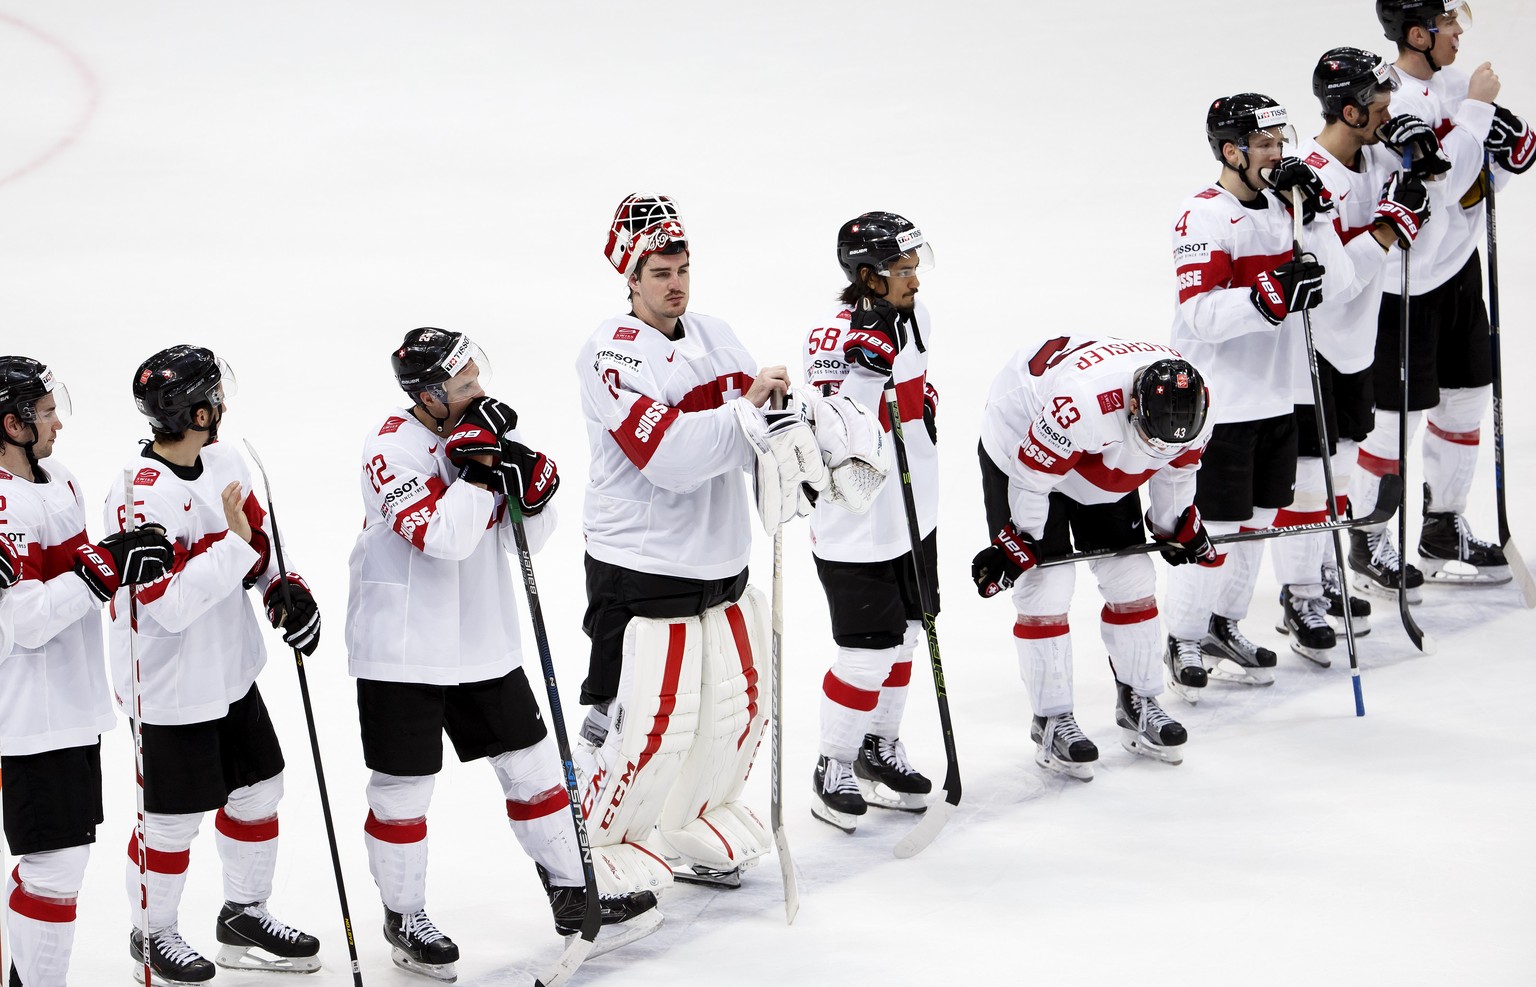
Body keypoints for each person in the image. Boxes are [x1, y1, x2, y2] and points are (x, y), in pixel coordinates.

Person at [573, 193, 878, 893]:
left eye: (682, 267)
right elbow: (669, 456)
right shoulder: (609, 353)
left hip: (720, 561)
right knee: (642, 720)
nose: (675, 282)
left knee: (725, 712)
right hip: (638, 564)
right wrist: (748, 414)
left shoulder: (712, 331)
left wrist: (803, 424)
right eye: (658, 271)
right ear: (630, 276)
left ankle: (692, 826)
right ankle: (591, 851)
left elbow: (755, 422)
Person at [346, 328, 658, 982]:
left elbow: (525, 536)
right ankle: (404, 915)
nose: (479, 391)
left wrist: (531, 491)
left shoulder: (475, 436)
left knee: (537, 770)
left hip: (481, 639)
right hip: (401, 649)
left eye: (475, 376)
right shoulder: (390, 449)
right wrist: (484, 469)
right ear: (428, 394)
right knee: (403, 791)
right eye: (464, 385)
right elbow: (443, 536)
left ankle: (576, 892)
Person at [104, 345, 323, 983]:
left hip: (230, 670)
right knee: (171, 822)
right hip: (168, 685)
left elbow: (258, 546)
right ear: (194, 410)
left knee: (258, 791)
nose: (223, 404)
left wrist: (285, 587)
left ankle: (243, 916)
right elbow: (165, 605)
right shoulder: (136, 493)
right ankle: (154, 934)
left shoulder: (224, 460)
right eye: (214, 395)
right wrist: (231, 546)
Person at [1165, 93, 1359, 695]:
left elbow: (1342, 284)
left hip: (1280, 393)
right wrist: (1266, 295)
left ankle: (1224, 624)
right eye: (1265, 144)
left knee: (1258, 526)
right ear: (1231, 150)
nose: (1279, 154)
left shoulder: (1288, 207)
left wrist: (1321, 215)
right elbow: (1198, 315)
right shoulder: (1203, 216)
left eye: (1282, 141)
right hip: (1221, 401)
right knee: (1218, 530)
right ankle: (1183, 638)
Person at [0, 357, 173, 986]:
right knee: (52, 865)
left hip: (72, 706)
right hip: (27, 716)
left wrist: (127, 563)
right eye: (45, 414)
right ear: (12, 423)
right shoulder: (1, 506)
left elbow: (84, 580)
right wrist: (102, 569)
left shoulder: (62, 481)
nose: (57, 424)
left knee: (62, 862)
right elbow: (19, 622)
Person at [974, 339, 1215, 776]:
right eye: (1151, 440)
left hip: (1101, 447)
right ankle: (1050, 719)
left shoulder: (1200, 402)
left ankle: (1139, 700)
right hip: (1023, 442)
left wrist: (1174, 527)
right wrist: (1021, 542)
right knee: (1045, 584)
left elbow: (1177, 471)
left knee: (1132, 576)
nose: (1158, 452)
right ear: (1134, 408)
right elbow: (1031, 476)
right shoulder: (1083, 403)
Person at [1352, 0, 1531, 587]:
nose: (1458, 33)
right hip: (1404, 284)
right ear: (1415, 34)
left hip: (1459, 271)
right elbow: (1445, 189)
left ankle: (1441, 525)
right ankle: (1367, 537)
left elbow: (1482, 176)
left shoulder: (1455, 83)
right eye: (1448, 24)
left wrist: (1509, 150)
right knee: (1393, 419)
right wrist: (1476, 113)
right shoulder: (1390, 98)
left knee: (1468, 399)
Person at [1271, 48, 1435, 663]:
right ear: (1349, 109)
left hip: (1355, 347)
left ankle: (1325, 571)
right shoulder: (1307, 180)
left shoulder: (1373, 155)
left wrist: (1422, 151)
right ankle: (1299, 594)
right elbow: (1332, 279)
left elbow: (1425, 187)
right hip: (1307, 349)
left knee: (1337, 470)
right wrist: (1390, 229)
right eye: (1379, 101)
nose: (1390, 108)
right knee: (1311, 479)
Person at [801, 211, 937, 832]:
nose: (915, 279)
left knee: (906, 634)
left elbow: (914, 405)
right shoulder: (830, 338)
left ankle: (879, 748)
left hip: (916, 514)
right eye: (903, 269)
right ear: (867, 277)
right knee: (865, 652)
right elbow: (834, 439)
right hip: (855, 525)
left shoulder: (918, 320)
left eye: (916, 265)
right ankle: (833, 765)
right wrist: (862, 375)